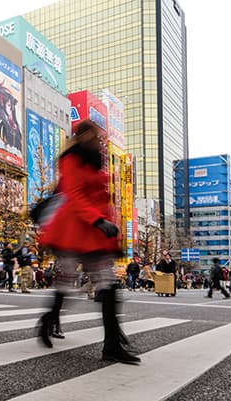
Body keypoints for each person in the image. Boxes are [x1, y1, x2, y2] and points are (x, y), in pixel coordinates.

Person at [38, 119, 140, 365]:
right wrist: (98, 221)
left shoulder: (96, 161)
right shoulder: (71, 159)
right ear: (83, 135)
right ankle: (49, 320)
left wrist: (106, 222)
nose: (100, 141)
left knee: (108, 286)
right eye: (96, 136)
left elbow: (101, 197)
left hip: (94, 229)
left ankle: (112, 344)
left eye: (101, 137)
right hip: (74, 228)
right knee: (66, 282)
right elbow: (74, 195)